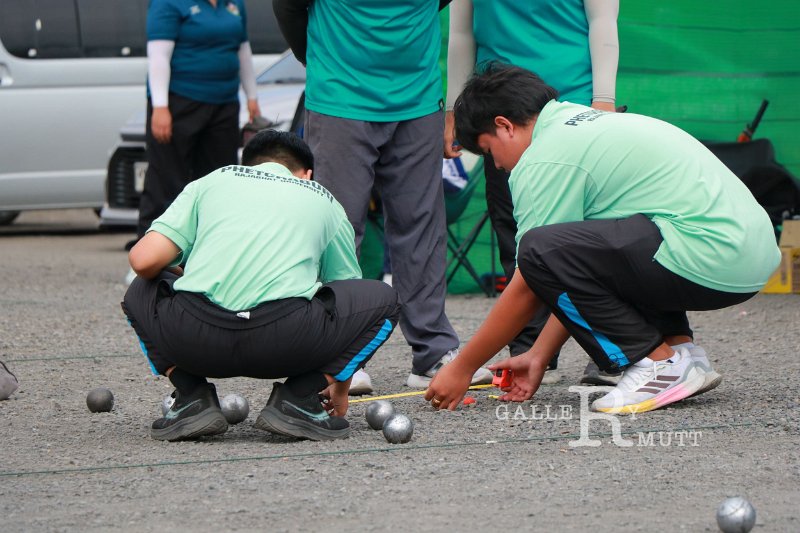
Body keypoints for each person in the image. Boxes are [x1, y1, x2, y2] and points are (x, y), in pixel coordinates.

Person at [425, 65, 781, 415]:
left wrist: (462, 367)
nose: (498, 167)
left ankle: (657, 365)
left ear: (504, 126)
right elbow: (579, 272)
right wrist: (538, 355)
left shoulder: (543, 158)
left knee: (537, 249)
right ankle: (679, 353)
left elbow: (530, 280)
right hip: (748, 255)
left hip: (711, 256)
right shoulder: (583, 122)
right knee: (598, 242)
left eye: (489, 152)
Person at [272, 0, 492, 394]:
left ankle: (433, 351)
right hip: (341, 96)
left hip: (418, 98)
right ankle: (338, 355)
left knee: (422, 224)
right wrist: (320, 59)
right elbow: (287, 7)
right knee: (338, 228)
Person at [122, 130, 400, 441]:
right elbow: (346, 296)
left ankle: (192, 397)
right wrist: (340, 384)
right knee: (383, 301)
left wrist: (185, 270)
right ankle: (299, 399)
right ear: (307, 175)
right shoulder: (323, 199)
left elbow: (143, 261)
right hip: (286, 343)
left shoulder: (213, 181)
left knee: (141, 288)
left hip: (194, 339)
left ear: (248, 166)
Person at [444, 0, 620, 386]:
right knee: (517, 236)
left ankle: (616, 353)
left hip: (573, 104)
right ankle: (528, 351)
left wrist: (603, 100)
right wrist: (455, 111)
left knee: (602, 231)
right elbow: (460, 33)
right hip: (499, 115)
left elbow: (603, 20)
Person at [131, 0, 262, 251]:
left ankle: (210, 255)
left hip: (223, 103)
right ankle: (148, 256)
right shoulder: (168, 3)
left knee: (218, 181)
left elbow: (243, 50)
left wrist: (252, 97)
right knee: (167, 179)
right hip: (179, 102)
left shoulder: (234, 4)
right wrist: (160, 107)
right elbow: (158, 56)